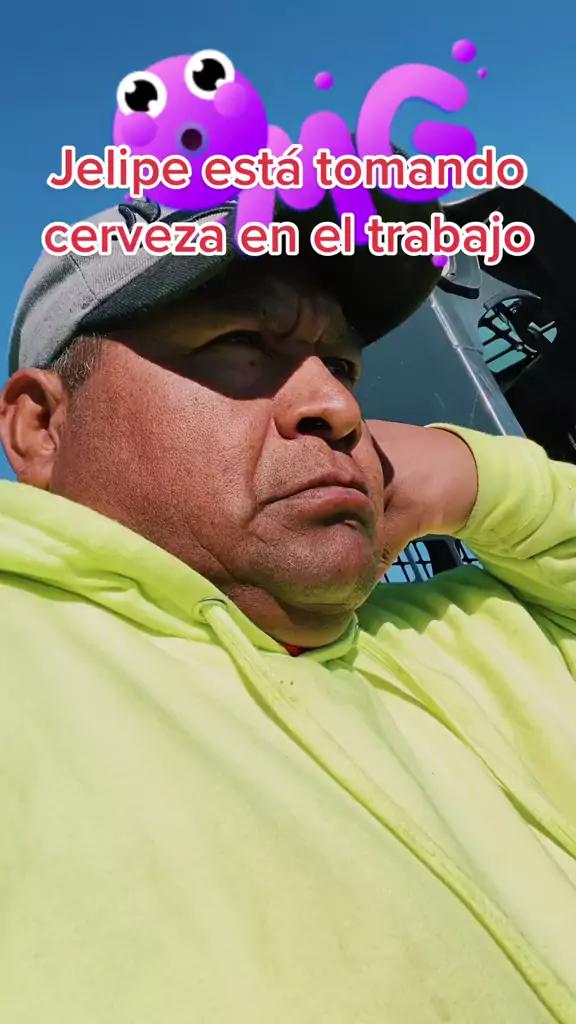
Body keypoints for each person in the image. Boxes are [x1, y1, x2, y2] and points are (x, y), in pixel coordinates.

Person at [1, 196, 576, 1024]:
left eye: (342, 365)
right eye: (240, 342)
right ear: (42, 428)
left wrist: (476, 476)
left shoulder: (470, 634)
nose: (339, 408)